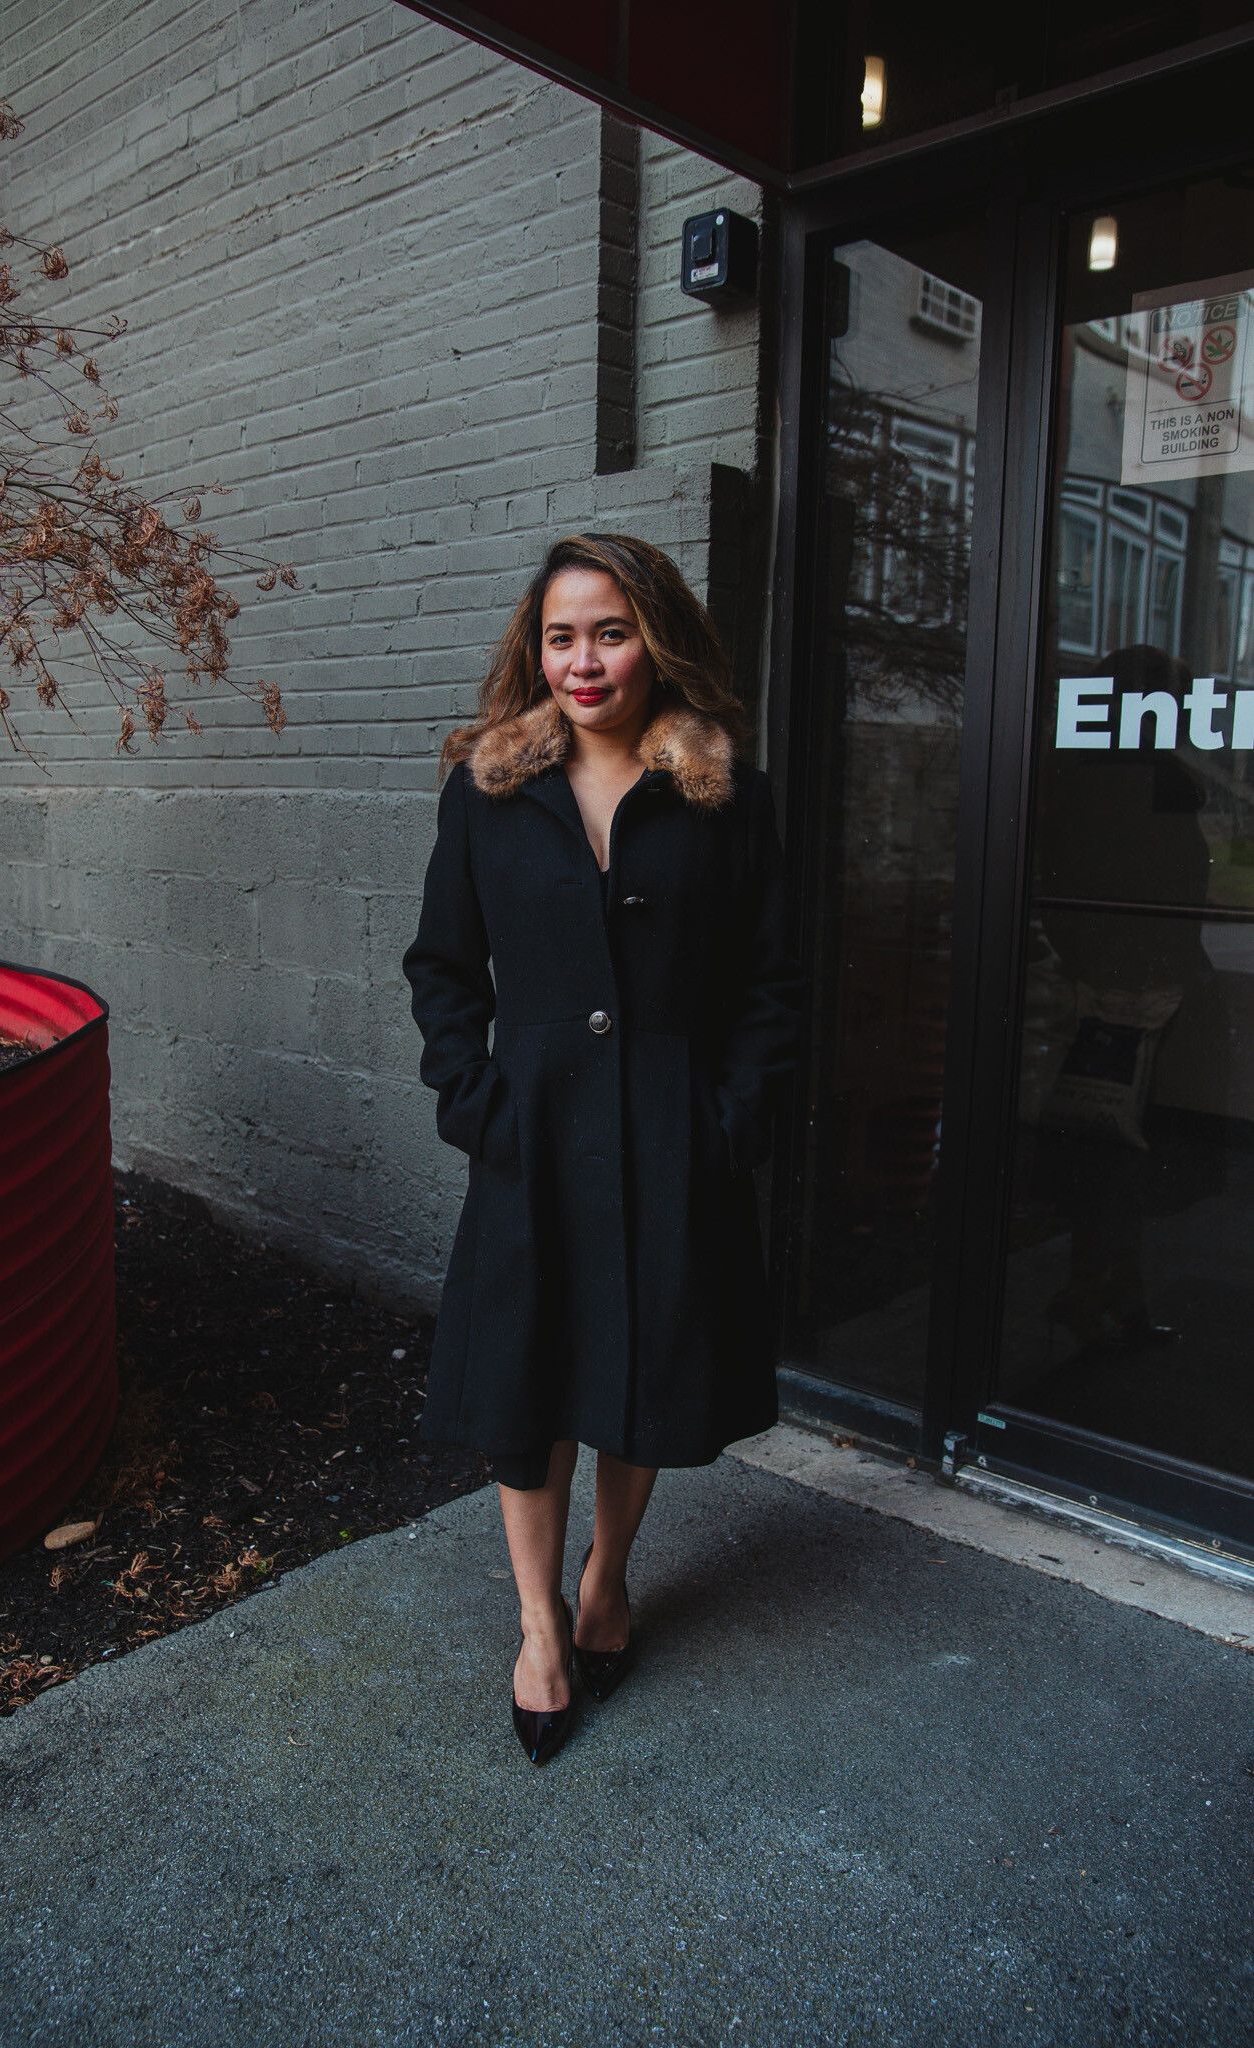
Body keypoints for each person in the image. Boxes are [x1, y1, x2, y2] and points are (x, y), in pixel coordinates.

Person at [400, 532, 807, 1766]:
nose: (583, 659)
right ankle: (537, 1625)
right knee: (523, 1389)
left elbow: (773, 981)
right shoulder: (486, 787)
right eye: (562, 633)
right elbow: (440, 968)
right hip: (530, 1138)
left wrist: (731, 1113)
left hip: (673, 1134)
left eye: (611, 629)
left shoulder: (725, 790)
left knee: (645, 1371)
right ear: (537, 645)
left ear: (659, 639)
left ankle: (608, 1577)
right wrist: (475, 1097)